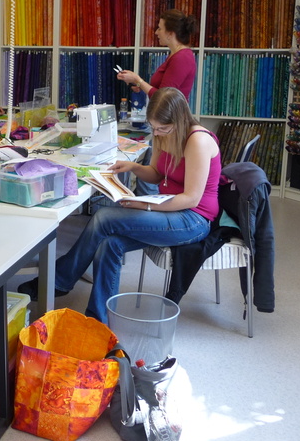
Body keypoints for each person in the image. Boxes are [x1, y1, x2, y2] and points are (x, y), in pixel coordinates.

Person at [18, 87, 221, 323]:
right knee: (109, 244)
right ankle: (98, 320)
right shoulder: (163, 134)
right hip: (169, 209)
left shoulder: (198, 141)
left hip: (193, 219)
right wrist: (133, 167)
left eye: (162, 129)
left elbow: (191, 198)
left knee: (104, 217)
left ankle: (59, 281)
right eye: (153, 128)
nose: (157, 133)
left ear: (179, 120)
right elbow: (157, 174)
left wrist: (145, 206)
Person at [116, 9, 199, 100]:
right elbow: (163, 90)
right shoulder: (175, 55)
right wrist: (141, 85)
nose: (156, 32)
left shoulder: (182, 58)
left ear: (170, 34)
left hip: (172, 110)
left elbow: (163, 97)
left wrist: (137, 80)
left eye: (160, 29)